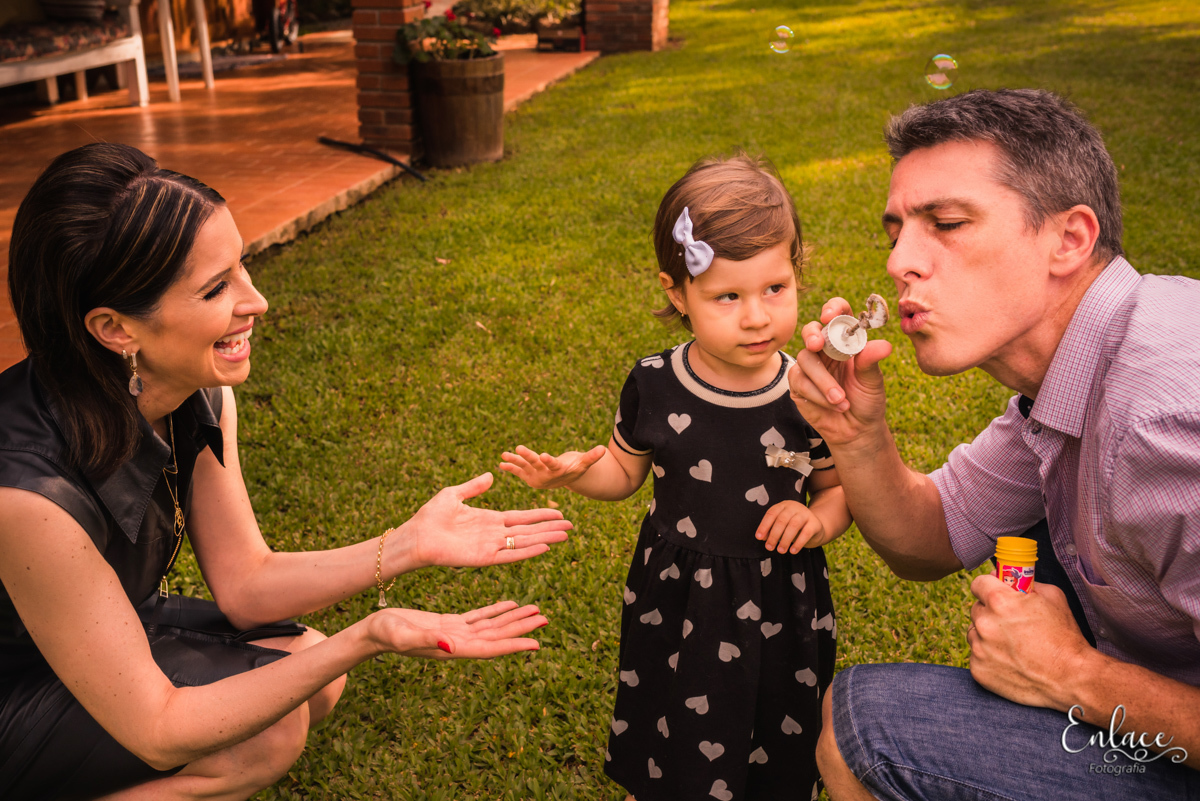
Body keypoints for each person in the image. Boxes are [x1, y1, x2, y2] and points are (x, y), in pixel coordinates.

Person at [0, 142, 574, 801]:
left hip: (106, 635)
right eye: (217, 288)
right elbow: (159, 726)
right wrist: (369, 635)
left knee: (310, 677)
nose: (258, 301)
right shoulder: (26, 493)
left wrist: (410, 543)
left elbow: (245, 583)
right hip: (16, 686)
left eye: (241, 266)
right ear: (115, 328)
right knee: (266, 734)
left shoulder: (199, 391)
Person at [783, 89, 1200, 799]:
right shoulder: (1076, 373)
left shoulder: (1159, 424)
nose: (901, 262)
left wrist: (1074, 674)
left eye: (946, 223)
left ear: (1068, 239)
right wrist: (856, 435)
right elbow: (930, 537)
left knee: (867, 725)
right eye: (896, 233)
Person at [500, 154, 853, 801]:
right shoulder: (656, 383)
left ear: (796, 268)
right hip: (680, 597)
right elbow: (622, 470)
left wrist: (817, 518)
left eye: (775, 288)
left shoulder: (809, 390)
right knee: (669, 726)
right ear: (675, 292)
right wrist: (574, 474)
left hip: (778, 596)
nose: (755, 316)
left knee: (775, 733)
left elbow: (835, 490)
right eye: (727, 296)